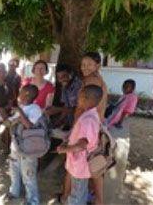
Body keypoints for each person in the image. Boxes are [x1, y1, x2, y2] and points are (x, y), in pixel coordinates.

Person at [60, 52, 108, 204]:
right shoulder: (99, 79)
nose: (84, 67)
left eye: (89, 64)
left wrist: (74, 128)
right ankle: (96, 200)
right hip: (96, 124)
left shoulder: (90, 81)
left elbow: (81, 108)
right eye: (82, 65)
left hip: (86, 126)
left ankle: (67, 197)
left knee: (76, 165)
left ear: (97, 65)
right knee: (94, 165)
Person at [57, 85, 103, 205]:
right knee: (79, 191)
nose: (78, 99)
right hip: (79, 164)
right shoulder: (90, 114)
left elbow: (82, 145)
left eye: (80, 96)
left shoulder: (88, 120)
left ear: (87, 99)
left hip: (80, 165)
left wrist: (64, 149)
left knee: (76, 195)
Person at [7, 84, 42, 205]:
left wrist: (19, 111)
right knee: (14, 169)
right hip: (16, 145)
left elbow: (29, 125)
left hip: (28, 148)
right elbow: (11, 122)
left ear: (27, 94)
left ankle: (33, 200)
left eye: (21, 92)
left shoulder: (35, 109)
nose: (19, 94)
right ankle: (14, 191)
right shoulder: (22, 107)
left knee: (28, 174)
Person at [104, 79, 138, 203]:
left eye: (128, 86)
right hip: (113, 121)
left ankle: (110, 161)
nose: (125, 88)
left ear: (133, 88)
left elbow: (126, 111)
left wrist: (120, 122)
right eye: (124, 86)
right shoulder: (125, 96)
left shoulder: (132, 97)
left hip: (117, 122)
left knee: (114, 145)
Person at [45, 64, 82, 130]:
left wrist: (58, 109)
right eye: (59, 77)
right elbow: (66, 106)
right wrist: (58, 121)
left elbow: (78, 109)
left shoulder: (79, 86)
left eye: (64, 76)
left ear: (71, 74)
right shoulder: (65, 86)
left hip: (81, 124)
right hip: (72, 124)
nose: (61, 79)